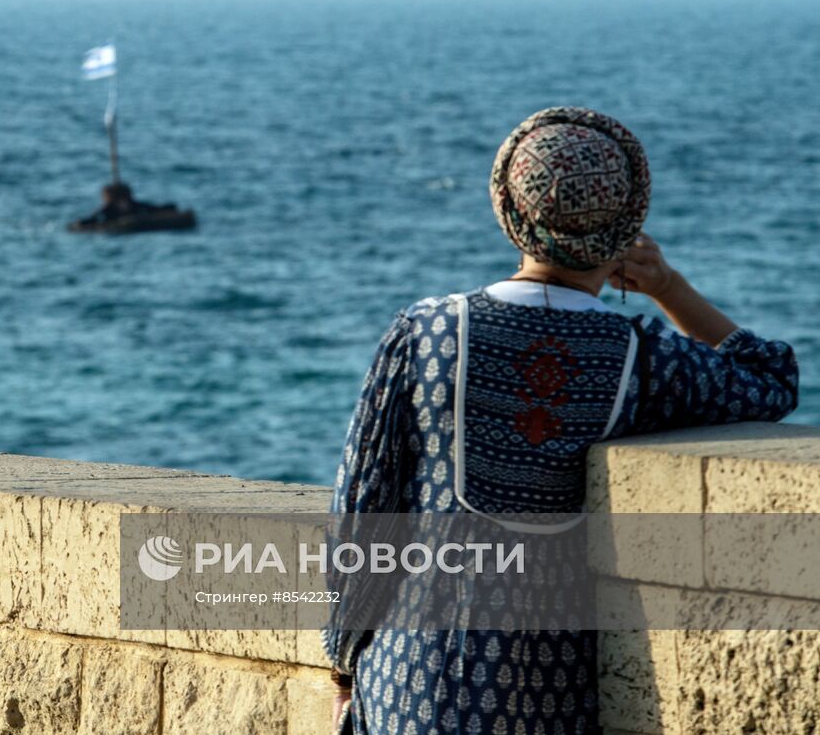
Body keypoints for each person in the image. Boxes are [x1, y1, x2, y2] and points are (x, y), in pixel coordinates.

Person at [324, 107, 799, 735]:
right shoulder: (640, 358)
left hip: (411, 676)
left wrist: (342, 659)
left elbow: (362, 510)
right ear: (626, 227)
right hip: (547, 691)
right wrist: (669, 287)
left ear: (511, 213)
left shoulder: (427, 332)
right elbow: (769, 378)